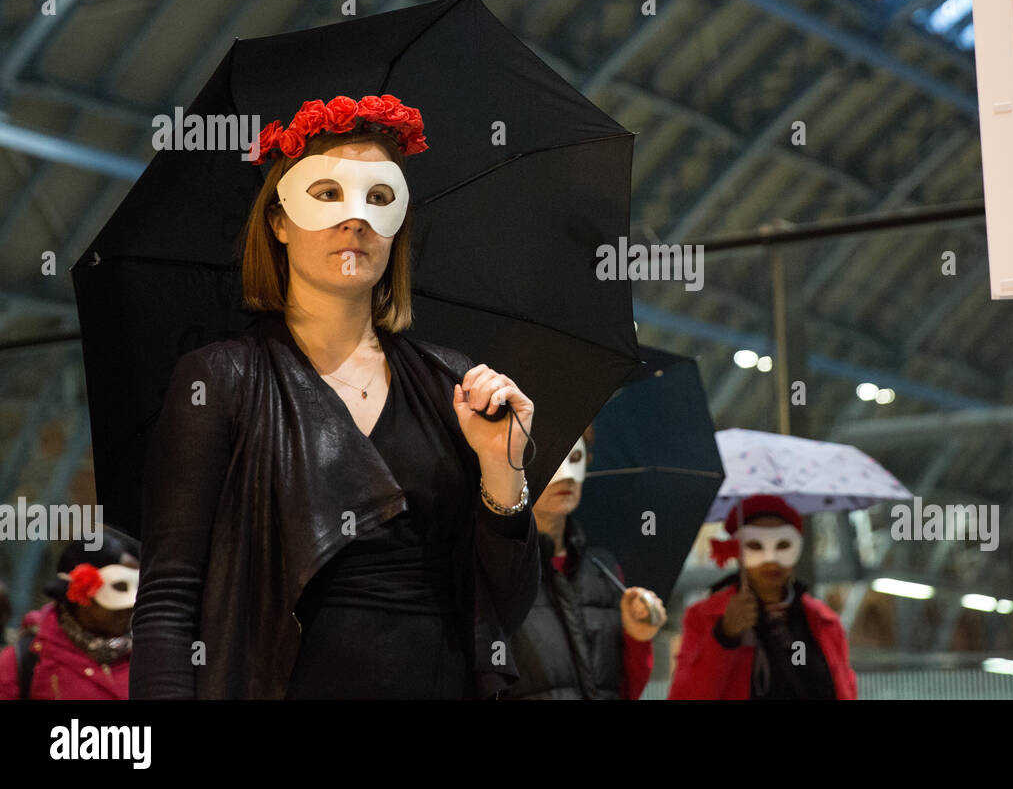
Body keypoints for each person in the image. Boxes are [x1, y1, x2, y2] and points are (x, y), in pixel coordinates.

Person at [130, 94, 540, 699]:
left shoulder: (451, 382)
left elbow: (503, 605)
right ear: (278, 222)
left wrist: (503, 474)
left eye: (380, 199)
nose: (357, 220)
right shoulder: (220, 381)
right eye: (327, 195)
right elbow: (170, 598)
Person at [502, 426, 664, 699]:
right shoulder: (499, 571)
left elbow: (626, 688)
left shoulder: (604, 570)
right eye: (551, 460)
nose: (565, 477)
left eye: (574, 459)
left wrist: (638, 636)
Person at [669, 495, 856, 700]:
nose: (771, 560)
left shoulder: (824, 620)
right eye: (756, 546)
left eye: (783, 545)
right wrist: (724, 636)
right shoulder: (704, 618)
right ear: (737, 551)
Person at [0, 529, 139, 700]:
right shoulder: (26, 660)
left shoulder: (153, 653)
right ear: (80, 591)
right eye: (119, 587)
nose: (131, 604)